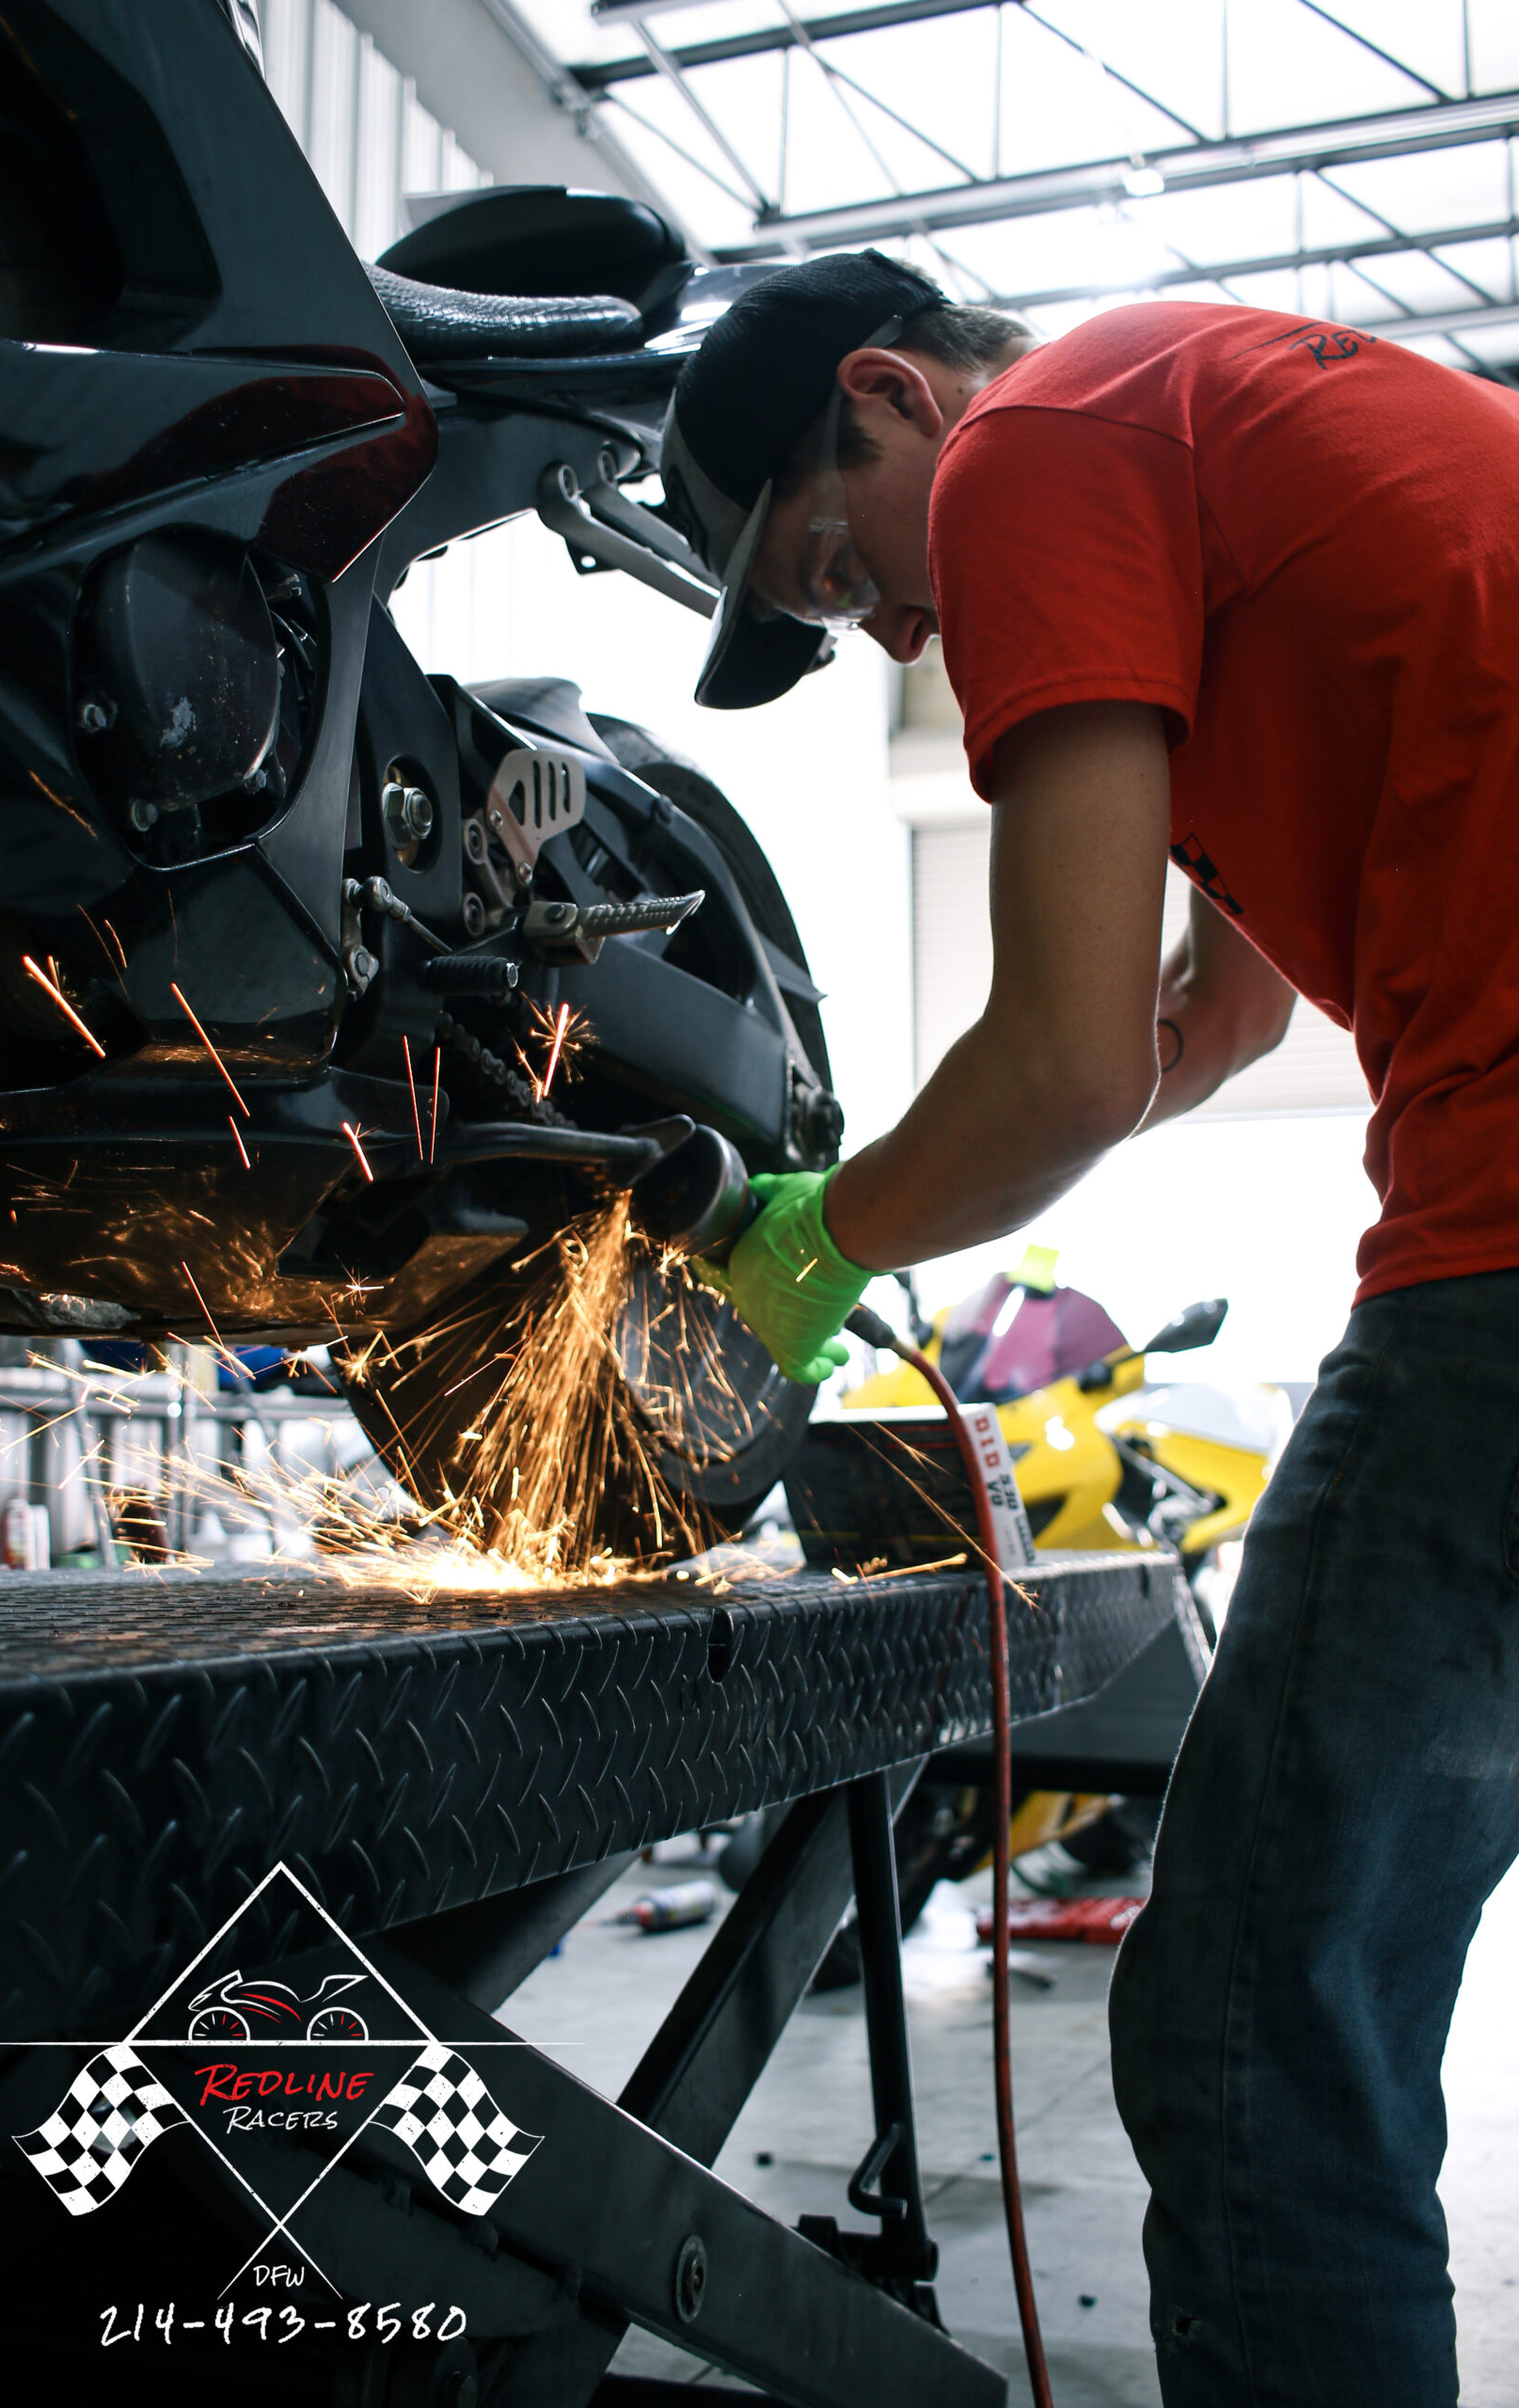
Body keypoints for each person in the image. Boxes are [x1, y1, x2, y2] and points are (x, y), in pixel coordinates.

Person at [661, 249, 1519, 2406]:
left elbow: (1051, 1067)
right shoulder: (1206, 414)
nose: (896, 636)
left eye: (846, 566)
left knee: (1247, 2010)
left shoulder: (1041, 445)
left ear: (889, 396)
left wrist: (808, 1235)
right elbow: (1196, 1016)